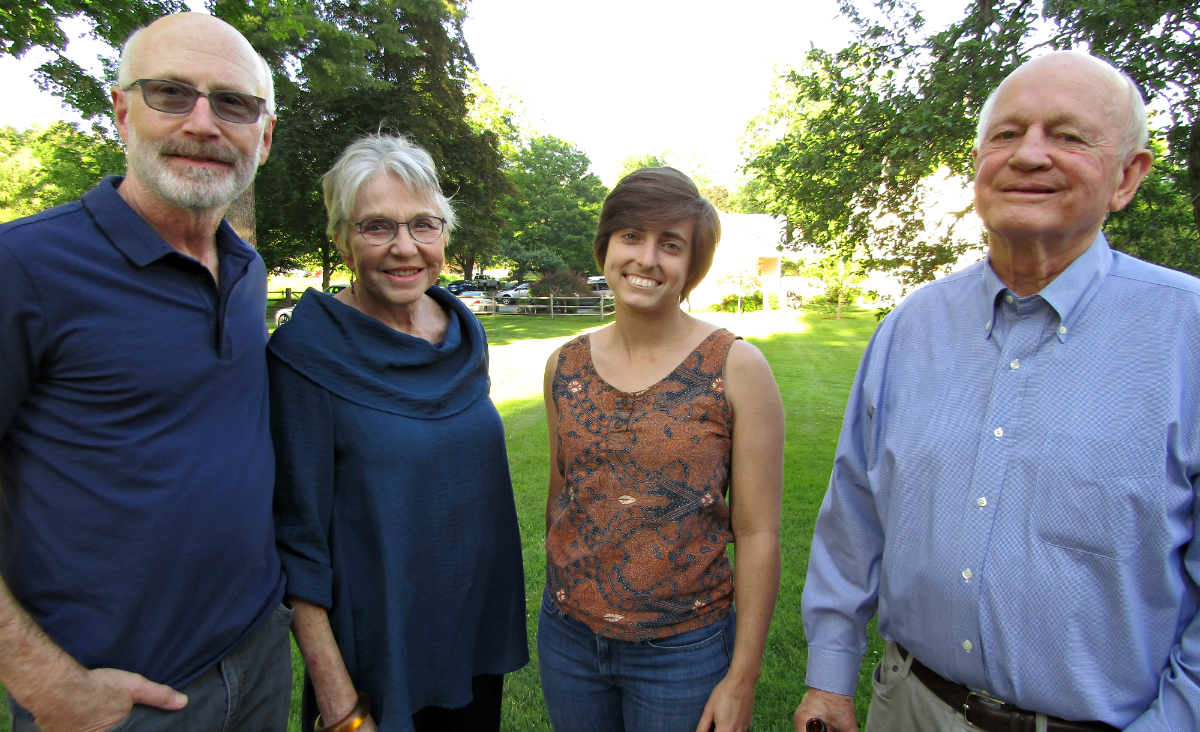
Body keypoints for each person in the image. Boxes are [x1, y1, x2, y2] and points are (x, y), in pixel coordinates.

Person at [794, 51, 1200, 732]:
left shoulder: (1187, 335)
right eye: (1007, 134)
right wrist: (829, 679)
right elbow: (853, 518)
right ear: (979, 161)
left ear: (1127, 176)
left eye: (1068, 136)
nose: (1029, 155)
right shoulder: (911, 327)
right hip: (910, 706)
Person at [0, 12, 289, 732]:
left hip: (257, 655)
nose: (202, 123)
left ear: (264, 135)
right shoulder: (23, 267)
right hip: (118, 697)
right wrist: (46, 682)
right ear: (123, 112)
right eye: (171, 93)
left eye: (234, 103)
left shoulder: (246, 271)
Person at [269, 133, 528, 732]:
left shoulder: (463, 337)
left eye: (423, 225)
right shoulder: (306, 355)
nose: (404, 247)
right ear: (343, 238)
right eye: (377, 227)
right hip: (378, 656)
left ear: (444, 233)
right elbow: (296, 542)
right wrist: (339, 703)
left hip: (471, 635)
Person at [539, 167, 785, 732]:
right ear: (607, 245)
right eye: (631, 236)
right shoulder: (564, 366)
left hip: (682, 653)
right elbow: (561, 498)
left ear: (691, 264)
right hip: (569, 640)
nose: (646, 259)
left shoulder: (736, 367)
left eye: (670, 244)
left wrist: (743, 677)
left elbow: (757, 534)